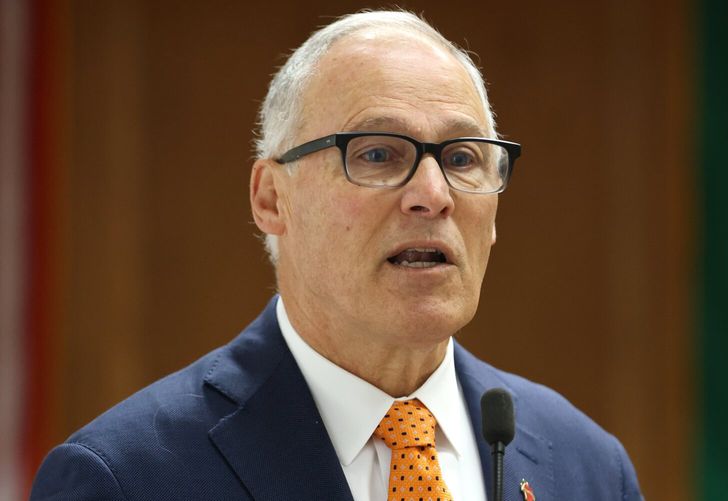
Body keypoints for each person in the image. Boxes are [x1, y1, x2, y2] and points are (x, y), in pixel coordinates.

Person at [31, 10, 643, 501]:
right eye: (377, 154)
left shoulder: (588, 467)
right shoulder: (124, 479)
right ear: (272, 199)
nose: (433, 194)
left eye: (462, 158)